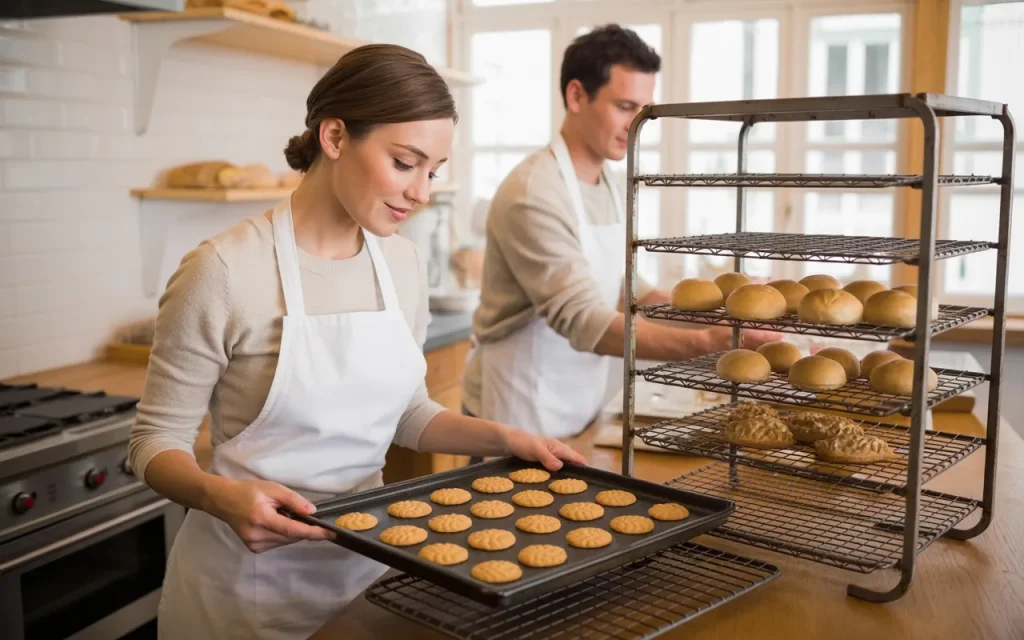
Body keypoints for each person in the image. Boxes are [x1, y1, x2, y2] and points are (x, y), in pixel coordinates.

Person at [128, 44, 586, 640]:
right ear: (336, 136)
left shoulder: (401, 263)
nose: (421, 191)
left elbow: (408, 412)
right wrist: (219, 496)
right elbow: (153, 443)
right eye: (405, 162)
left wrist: (505, 438)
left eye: (433, 171)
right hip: (245, 590)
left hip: (367, 573)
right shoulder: (223, 270)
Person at [461, 25, 778, 440]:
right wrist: (709, 342)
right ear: (576, 96)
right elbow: (584, 321)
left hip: (579, 402)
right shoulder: (533, 193)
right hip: (518, 408)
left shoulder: (609, 183)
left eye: (645, 110)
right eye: (626, 106)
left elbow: (631, 290)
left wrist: (723, 308)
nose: (638, 125)